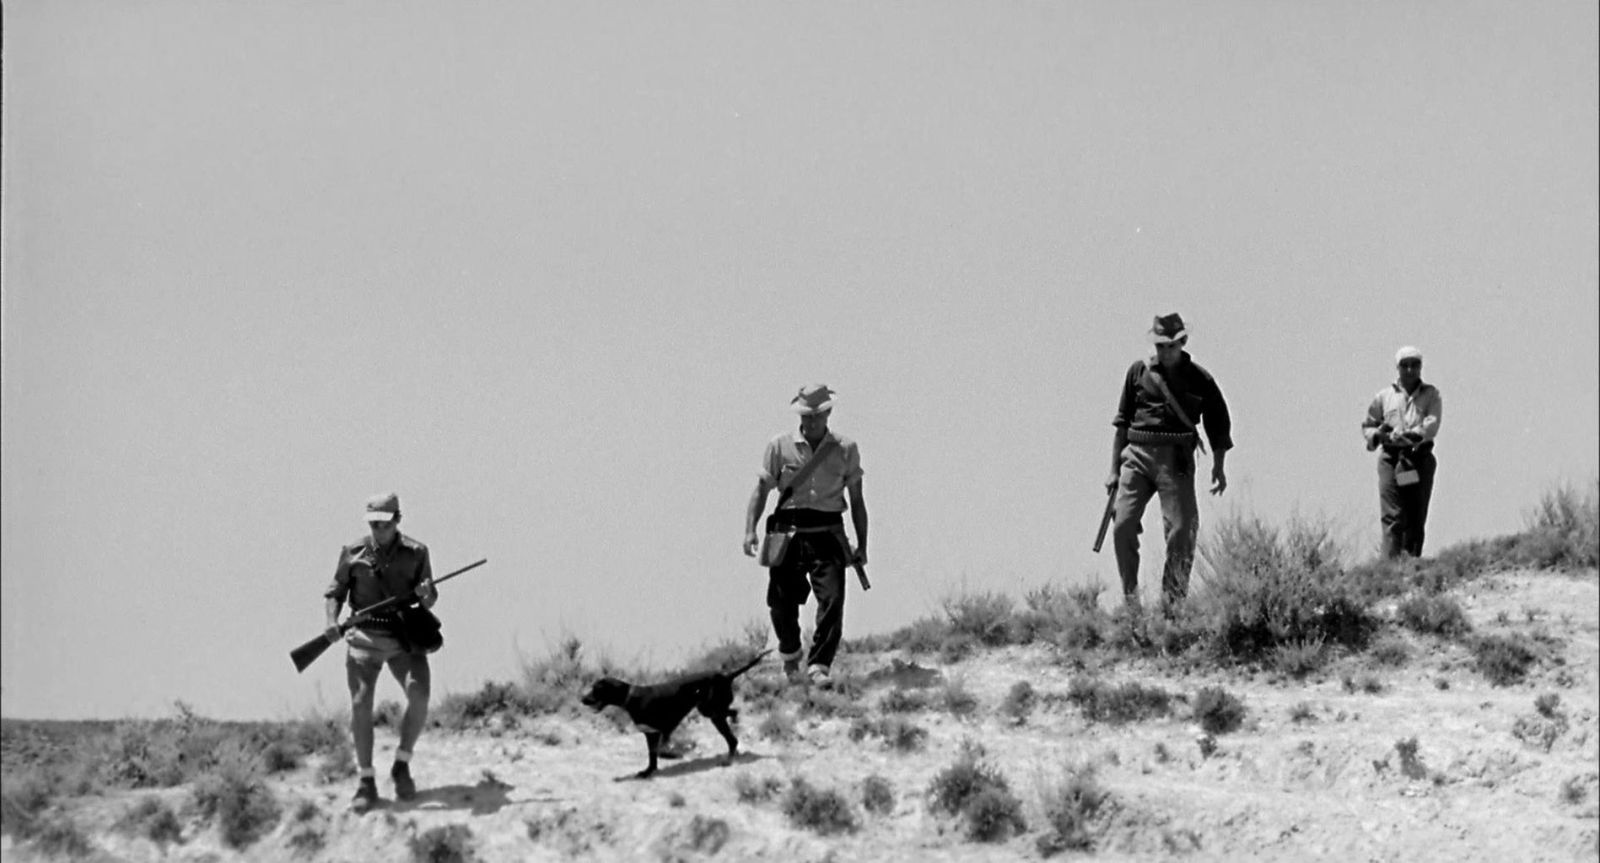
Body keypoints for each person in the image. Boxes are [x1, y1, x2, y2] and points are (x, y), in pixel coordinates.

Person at [743, 384, 868, 688]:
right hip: (788, 532)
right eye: (805, 415)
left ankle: (820, 665)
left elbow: (857, 499)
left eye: (816, 415)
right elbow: (761, 490)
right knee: (781, 603)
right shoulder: (779, 446)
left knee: (833, 600)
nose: (810, 421)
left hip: (828, 532)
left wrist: (862, 544)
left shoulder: (846, 449)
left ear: (828, 413)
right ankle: (790, 656)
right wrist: (750, 529)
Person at [1105, 313, 1233, 608]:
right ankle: (1131, 601)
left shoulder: (1200, 379)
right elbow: (1122, 423)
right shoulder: (1138, 372)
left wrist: (1219, 465)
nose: (1165, 351)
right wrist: (1113, 470)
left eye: (1171, 346)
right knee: (1123, 525)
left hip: (1175, 458)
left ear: (1183, 342)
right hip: (1136, 455)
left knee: (1182, 528)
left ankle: (1172, 604)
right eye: (1160, 345)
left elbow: (1218, 422)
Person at [323, 492, 437, 813]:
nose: (378, 529)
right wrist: (331, 622)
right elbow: (335, 592)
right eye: (373, 523)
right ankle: (366, 780)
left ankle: (402, 764)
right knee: (361, 705)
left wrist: (426, 596)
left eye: (384, 523)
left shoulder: (417, 553)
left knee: (420, 695)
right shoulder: (353, 553)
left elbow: (429, 598)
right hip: (363, 637)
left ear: (398, 519)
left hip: (402, 636)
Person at [1361, 346, 1442, 558]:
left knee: (1416, 515)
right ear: (1397, 368)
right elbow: (1368, 426)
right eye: (1405, 365)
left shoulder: (1431, 394)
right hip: (1391, 458)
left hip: (1418, 457)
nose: (1409, 370)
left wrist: (1411, 434)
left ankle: (1411, 563)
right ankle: (1389, 569)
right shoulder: (1384, 397)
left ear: (1421, 367)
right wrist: (1379, 435)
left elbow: (1432, 424)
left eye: (1414, 365)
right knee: (1392, 516)